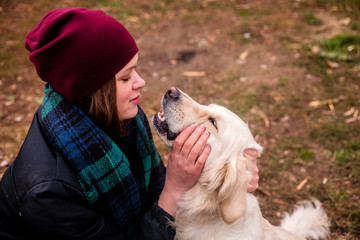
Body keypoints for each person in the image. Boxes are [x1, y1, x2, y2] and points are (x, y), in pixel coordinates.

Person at [0, 7, 259, 239]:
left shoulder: (112, 117)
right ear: (94, 91)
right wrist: (172, 191)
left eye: (135, 69)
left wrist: (230, 176)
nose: (141, 81)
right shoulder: (49, 193)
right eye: (125, 78)